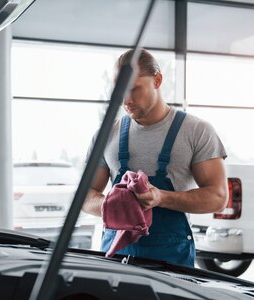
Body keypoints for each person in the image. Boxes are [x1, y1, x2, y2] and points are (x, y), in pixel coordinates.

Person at [83, 48, 228, 267]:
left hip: (172, 265)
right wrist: (112, 205)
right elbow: (85, 197)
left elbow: (218, 198)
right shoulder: (105, 136)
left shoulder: (196, 131)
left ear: (157, 80)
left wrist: (161, 197)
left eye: (134, 89)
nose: (126, 100)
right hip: (115, 263)